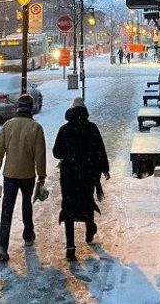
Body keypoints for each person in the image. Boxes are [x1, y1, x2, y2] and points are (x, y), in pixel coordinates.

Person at [0, 94, 47, 263]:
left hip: (9, 175)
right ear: (30, 108)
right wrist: (41, 175)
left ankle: (2, 246)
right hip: (27, 174)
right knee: (26, 205)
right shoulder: (35, 128)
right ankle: (28, 235)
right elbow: (40, 155)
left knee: (6, 210)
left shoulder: (8, 126)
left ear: (17, 107)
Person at [52, 97, 109, 261]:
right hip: (88, 175)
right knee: (87, 201)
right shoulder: (92, 128)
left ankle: (70, 246)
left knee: (69, 205)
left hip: (69, 175)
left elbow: (57, 153)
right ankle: (89, 230)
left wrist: (69, 154)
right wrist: (103, 169)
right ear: (85, 112)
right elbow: (100, 150)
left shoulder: (64, 130)